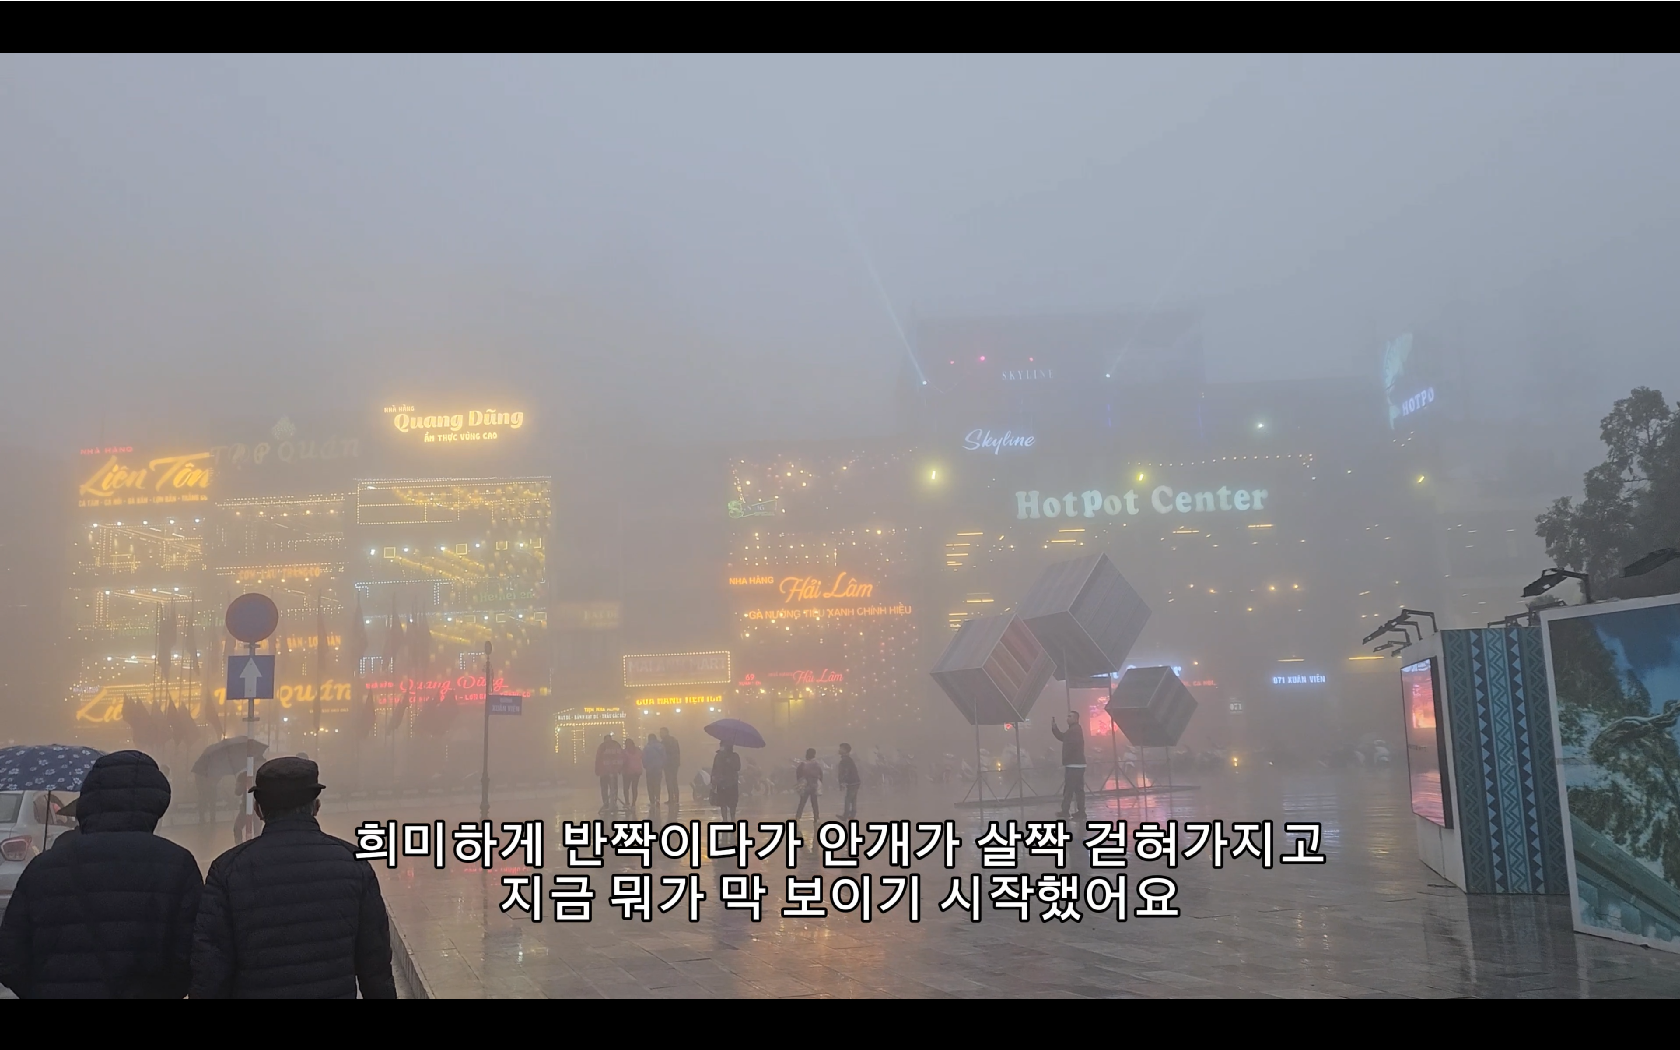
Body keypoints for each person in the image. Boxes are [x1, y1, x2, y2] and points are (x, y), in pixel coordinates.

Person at [0, 751, 203, 998]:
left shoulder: (44, 867)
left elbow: (11, 955)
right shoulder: (177, 865)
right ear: (155, 802)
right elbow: (193, 955)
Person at [190, 756, 396, 999]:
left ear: (258, 809)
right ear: (316, 807)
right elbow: (375, 964)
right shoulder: (353, 863)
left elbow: (211, 968)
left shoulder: (227, 870)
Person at [1051, 711, 1087, 819]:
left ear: (1076, 718)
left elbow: (1068, 743)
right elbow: (1063, 737)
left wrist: (1066, 759)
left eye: (1070, 716)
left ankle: (1065, 811)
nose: (1067, 718)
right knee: (1078, 789)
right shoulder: (1073, 730)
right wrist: (1055, 728)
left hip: (1074, 765)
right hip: (1077, 764)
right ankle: (1080, 811)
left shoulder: (1074, 730)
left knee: (1069, 789)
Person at [711, 741, 740, 822]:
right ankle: (725, 819)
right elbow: (714, 769)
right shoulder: (718, 756)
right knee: (722, 803)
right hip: (721, 783)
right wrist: (713, 781)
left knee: (733, 803)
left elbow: (738, 767)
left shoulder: (735, 756)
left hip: (732, 783)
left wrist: (730, 762)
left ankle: (732, 818)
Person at [595, 733, 623, 815]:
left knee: (610, 788)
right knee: (609, 788)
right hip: (609, 771)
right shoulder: (615, 746)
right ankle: (609, 803)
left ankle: (609, 803)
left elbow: (598, 758)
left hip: (607, 771)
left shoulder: (602, 747)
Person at [793, 748, 823, 822]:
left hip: (805, 785)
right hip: (814, 785)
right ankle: (816, 818)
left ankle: (798, 817)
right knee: (814, 803)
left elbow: (798, 774)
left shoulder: (803, 764)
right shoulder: (816, 764)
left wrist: (800, 782)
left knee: (802, 802)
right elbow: (820, 774)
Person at [837, 743, 861, 820]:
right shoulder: (848, 759)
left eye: (841, 748)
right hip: (855, 781)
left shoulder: (845, 760)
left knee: (848, 799)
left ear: (845, 750)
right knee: (853, 799)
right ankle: (852, 815)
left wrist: (842, 782)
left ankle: (846, 815)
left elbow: (846, 771)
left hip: (852, 782)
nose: (839, 750)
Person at [642, 733, 665, 811]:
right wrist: (662, 765)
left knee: (650, 785)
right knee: (657, 784)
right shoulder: (661, 746)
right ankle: (658, 798)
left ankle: (652, 800)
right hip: (658, 768)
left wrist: (645, 765)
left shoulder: (647, 747)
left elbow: (644, 758)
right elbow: (664, 757)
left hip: (649, 768)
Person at [232, 767, 256, 845]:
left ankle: (257, 847)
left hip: (258, 807)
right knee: (237, 828)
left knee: (258, 831)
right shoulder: (242, 776)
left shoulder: (259, 774)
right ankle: (240, 846)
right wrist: (242, 784)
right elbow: (237, 792)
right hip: (246, 807)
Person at [660, 727, 681, 807]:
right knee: (674, 780)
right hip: (675, 763)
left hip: (668, 763)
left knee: (669, 781)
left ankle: (671, 798)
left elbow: (664, 753)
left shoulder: (664, 742)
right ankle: (676, 798)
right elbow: (678, 752)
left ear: (666, 732)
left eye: (662, 732)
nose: (660, 734)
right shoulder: (674, 740)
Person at [621, 737, 643, 810]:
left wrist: (620, 768)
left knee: (626, 788)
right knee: (634, 787)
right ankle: (633, 803)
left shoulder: (624, 752)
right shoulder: (638, 750)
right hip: (637, 771)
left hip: (627, 772)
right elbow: (642, 757)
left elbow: (623, 761)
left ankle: (627, 802)